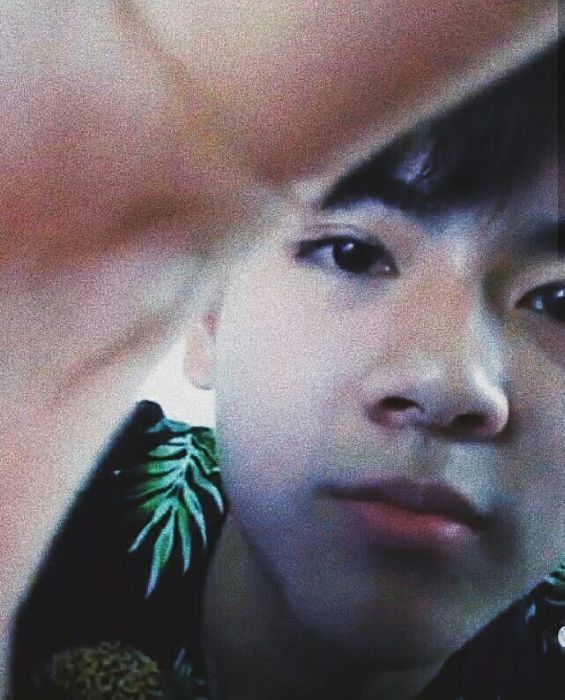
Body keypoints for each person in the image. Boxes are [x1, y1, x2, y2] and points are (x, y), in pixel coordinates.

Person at [10, 39, 563, 699]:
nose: (449, 382)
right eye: (352, 254)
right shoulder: (35, 506)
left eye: (558, 300)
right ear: (209, 313)